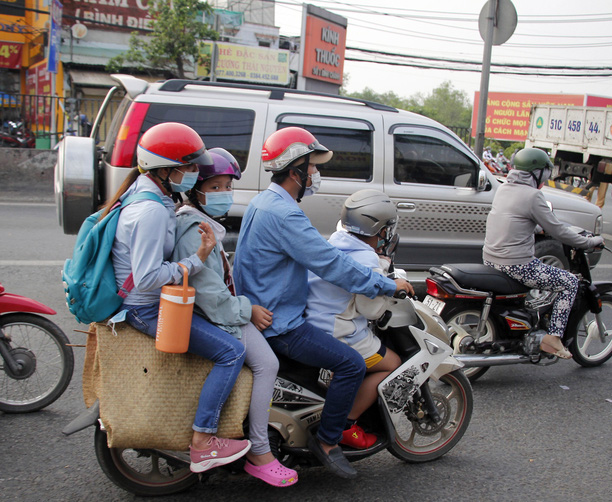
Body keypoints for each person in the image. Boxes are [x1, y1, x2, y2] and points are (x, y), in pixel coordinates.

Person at [232, 127, 414, 479]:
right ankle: (329, 442)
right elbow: (331, 265)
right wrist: (386, 284)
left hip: (262, 305)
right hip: (282, 322)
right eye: (312, 167)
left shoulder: (264, 202)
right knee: (350, 365)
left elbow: (321, 252)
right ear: (295, 168)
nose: (316, 174)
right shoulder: (285, 214)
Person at [106, 122, 251, 474]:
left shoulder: (150, 194)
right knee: (232, 352)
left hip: (154, 301)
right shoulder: (152, 211)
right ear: (165, 169)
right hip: (145, 308)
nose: (192, 173)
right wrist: (196, 259)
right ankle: (204, 440)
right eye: (187, 167)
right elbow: (148, 277)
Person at [172, 148, 297, 487]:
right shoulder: (193, 228)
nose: (223, 193)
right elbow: (211, 296)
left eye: (227, 186)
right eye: (215, 187)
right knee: (267, 364)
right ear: (195, 190)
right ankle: (259, 450)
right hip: (215, 316)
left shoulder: (202, 222)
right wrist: (248, 310)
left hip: (219, 310)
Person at [482, 148, 604, 359]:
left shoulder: (503, 189)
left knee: (544, 275)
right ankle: (554, 337)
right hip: (517, 264)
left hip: (491, 259)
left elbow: (514, 219)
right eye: (545, 173)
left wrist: (537, 228)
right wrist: (589, 242)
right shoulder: (533, 195)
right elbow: (558, 230)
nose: (546, 179)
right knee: (569, 282)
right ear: (536, 173)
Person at [305, 189, 402, 449]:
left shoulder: (336, 239)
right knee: (392, 364)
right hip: (339, 331)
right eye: (386, 228)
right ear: (378, 229)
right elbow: (370, 310)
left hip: (312, 322)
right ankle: (347, 423)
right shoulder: (367, 258)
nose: (388, 234)